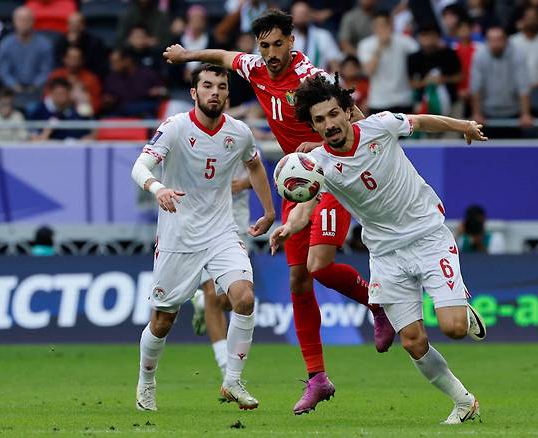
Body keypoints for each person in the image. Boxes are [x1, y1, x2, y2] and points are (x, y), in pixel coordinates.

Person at [163, 9, 396, 415]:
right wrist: (187, 56)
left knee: (320, 266)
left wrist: (364, 146)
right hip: (295, 180)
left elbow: (350, 114)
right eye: (264, 45)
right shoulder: (255, 68)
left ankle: (377, 302)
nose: (270, 53)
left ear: (292, 41)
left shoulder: (310, 76)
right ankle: (318, 378)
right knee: (298, 281)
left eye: (277, 44)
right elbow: (224, 56)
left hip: (330, 174)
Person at [270, 74, 487, 424]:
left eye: (333, 114)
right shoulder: (321, 165)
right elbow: (306, 206)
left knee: (454, 329)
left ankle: (459, 304)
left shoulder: (379, 127)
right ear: (313, 126)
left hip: (428, 236)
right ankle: (464, 402)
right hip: (386, 255)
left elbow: (423, 121)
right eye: (320, 120)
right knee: (413, 342)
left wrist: (463, 125)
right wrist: (289, 226)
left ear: (345, 112)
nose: (329, 124)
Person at [130, 63, 276, 411]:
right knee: (162, 320)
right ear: (194, 93)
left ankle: (233, 381)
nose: (215, 92)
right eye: (207, 86)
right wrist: (158, 187)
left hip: (222, 232)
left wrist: (269, 211)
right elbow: (140, 166)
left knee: (243, 298)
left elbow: (255, 164)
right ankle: (147, 380)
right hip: (178, 235)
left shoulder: (239, 132)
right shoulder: (176, 128)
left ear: (227, 93)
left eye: (221, 87)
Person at [190, 159, 255, 378]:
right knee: (213, 295)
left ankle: (200, 303)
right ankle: (226, 369)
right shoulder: (191, 137)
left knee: (231, 300)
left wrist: (244, 184)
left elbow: (266, 176)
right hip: (202, 228)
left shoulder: (243, 136)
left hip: (236, 226)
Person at [357, 11, 419, 114]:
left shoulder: (405, 41)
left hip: (404, 100)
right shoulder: (365, 45)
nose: (381, 28)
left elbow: (419, 59)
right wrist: (380, 47)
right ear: (373, 26)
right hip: (378, 101)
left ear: (391, 25)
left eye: (384, 25)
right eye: (378, 25)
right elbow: (368, 71)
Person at [29, 78, 93, 141]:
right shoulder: (38, 111)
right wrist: (47, 132)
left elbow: (89, 133)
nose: (62, 98)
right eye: (59, 94)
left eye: (64, 94)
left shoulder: (76, 110)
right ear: (51, 93)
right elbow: (34, 139)